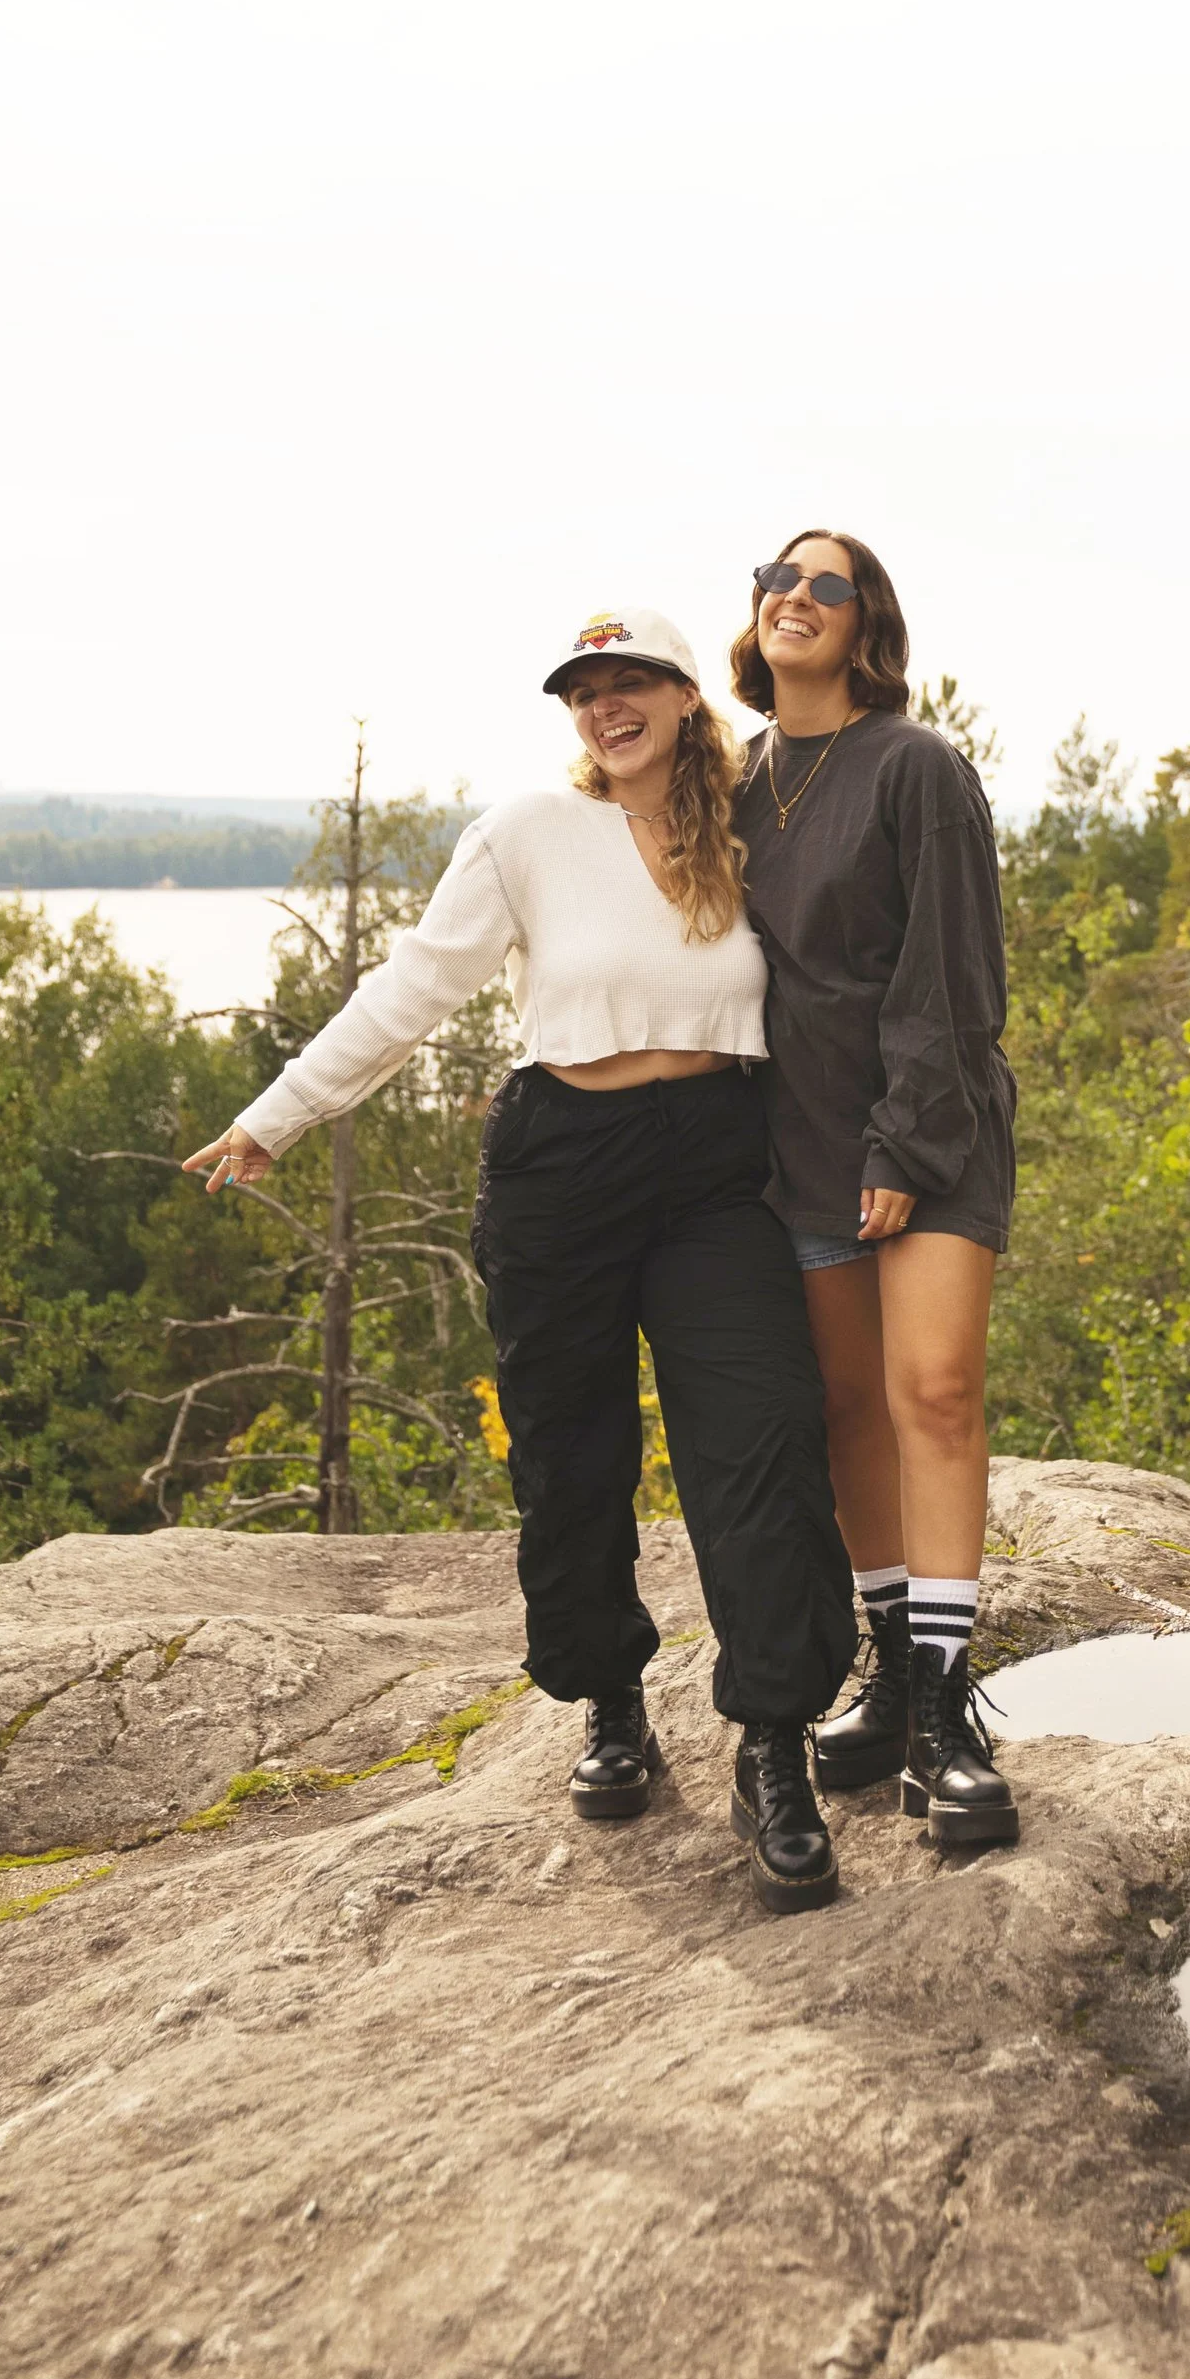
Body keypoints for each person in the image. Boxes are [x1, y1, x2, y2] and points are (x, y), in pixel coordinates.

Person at [181, 608, 857, 1918]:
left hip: (719, 1169)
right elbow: (413, 988)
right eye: (582, 691)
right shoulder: (528, 834)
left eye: (630, 684)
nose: (606, 707)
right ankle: (610, 1700)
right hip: (567, 1166)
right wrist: (279, 1115)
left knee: (762, 1436)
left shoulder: (749, 824)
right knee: (570, 1449)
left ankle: (774, 1746)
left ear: (679, 695)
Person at [730, 530, 1020, 1849]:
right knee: (850, 1408)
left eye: (827, 586)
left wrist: (905, 1147)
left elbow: (952, 979)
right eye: (779, 581)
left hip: (932, 1138)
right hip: (797, 1151)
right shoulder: (731, 787)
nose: (797, 598)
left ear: (866, 627)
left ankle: (951, 1717)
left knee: (934, 1393)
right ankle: (895, 1677)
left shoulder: (918, 769)